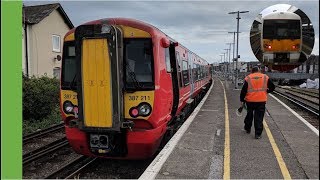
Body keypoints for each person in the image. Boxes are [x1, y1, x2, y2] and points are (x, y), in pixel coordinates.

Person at [240, 66, 275, 139]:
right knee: (259, 117)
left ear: (252, 71)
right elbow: (273, 87)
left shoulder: (248, 78)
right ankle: (258, 134)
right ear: (259, 71)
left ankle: (247, 128)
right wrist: (266, 91)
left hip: (250, 100)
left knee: (249, 115)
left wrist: (242, 100)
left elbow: (243, 91)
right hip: (261, 101)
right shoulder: (265, 77)